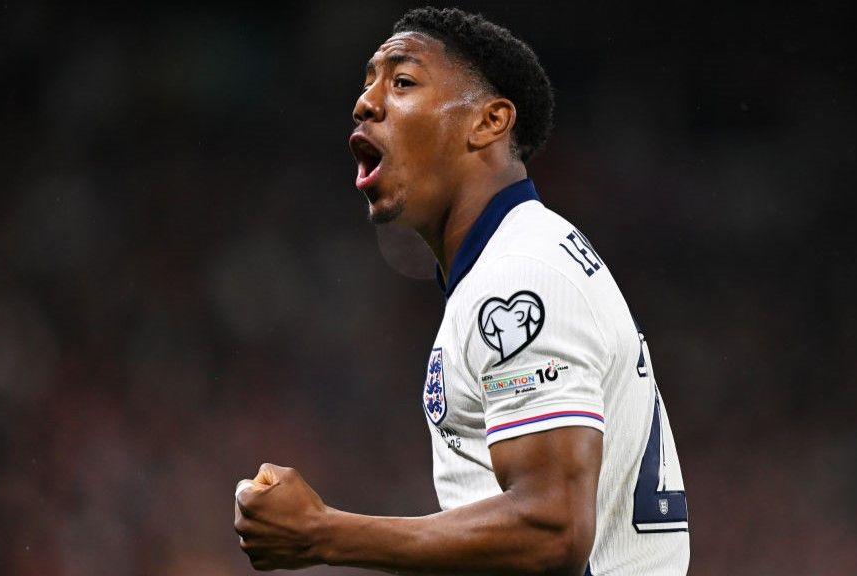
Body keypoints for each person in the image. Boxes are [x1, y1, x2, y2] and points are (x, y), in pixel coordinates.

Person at [234, 7, 689, 575]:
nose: (366, 103)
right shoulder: (512, 260)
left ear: (488, 122)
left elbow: (554, 530)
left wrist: (324, 533)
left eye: (402, 82)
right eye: (368, 81)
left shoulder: (522, 274)